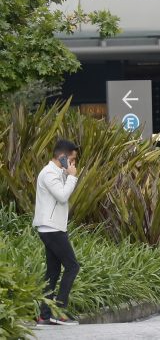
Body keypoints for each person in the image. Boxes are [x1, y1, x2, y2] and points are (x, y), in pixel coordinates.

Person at [33, 139, 81, 326]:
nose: (73, 163)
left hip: (53, 228)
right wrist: (72, 177)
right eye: (72, 159)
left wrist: (67, 174)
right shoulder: (48, 174)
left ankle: (45, 315)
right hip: (51, 229)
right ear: (62, 157)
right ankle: (58, 312)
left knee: (53, 271)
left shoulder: (57, 172)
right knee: (72, 266)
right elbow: (62, 196)